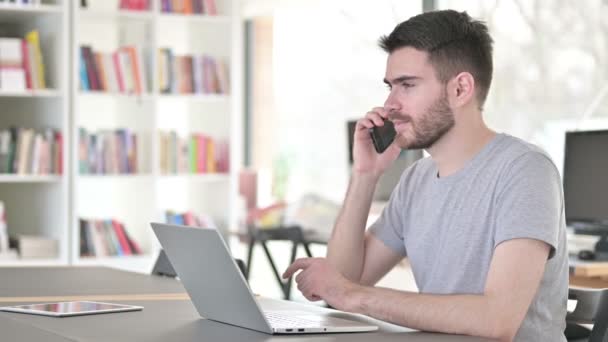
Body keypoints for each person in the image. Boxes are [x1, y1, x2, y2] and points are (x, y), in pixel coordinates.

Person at [282, 9, 568, 342]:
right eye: (390, 86)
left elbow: (497, 320)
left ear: (460, 89)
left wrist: (352, 295)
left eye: (407, 85)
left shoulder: (525, 170)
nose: (389, 104)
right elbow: (343, 282)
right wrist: (365, 174)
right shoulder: (416, 180)